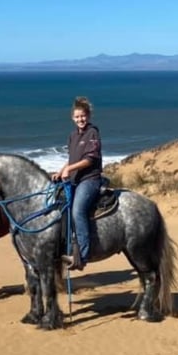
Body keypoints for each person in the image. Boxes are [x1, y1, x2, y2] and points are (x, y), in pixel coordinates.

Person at [52, 96, 103, 271]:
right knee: (59, 208)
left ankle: (82, 254)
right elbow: (72, 158)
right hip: (74, 179)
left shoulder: (92, 133)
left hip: (89, 180)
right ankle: (65, 247)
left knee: (77, 210)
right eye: (77, 117)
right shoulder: (73, 135)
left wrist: (70, 168)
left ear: (88, 116)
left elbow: (89, 159)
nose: (80, 119)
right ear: (72, 118)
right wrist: (61, 171)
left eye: (83, 116)